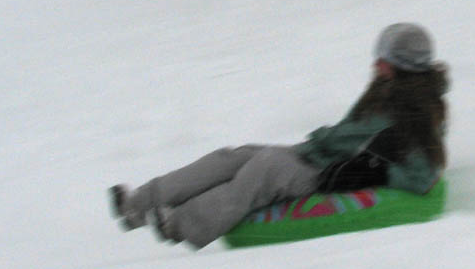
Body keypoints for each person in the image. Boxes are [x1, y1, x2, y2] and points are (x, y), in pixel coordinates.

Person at [109, 23, 449, 249]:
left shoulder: (417, 112)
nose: (376, 63)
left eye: (384, 58)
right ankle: (138, 205)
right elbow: (352, 131)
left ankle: (181, 225)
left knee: (265, 168)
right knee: (234, 157)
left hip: (331, 175)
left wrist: (375, 171)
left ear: (402, 63)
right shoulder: (383, 90)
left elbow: (423, 175)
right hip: (317, 155)